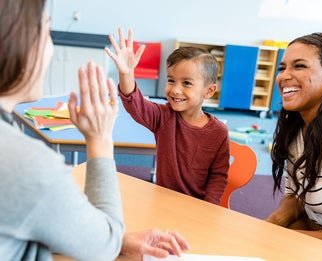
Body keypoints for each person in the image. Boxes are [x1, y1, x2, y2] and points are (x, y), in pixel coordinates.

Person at [0, 0, 190, 260]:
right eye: (46, 32)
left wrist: (114, 240)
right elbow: (101, 247)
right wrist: (100, 138)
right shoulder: (29, 165)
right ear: (16, 42)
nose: (50, 49)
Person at [106, 28, 230, 205]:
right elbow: (135, 104)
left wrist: (207, 209)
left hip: (198, 208)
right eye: (171, 80)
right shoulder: (164, 117)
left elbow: (218, 177)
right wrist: (126, 73)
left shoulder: (219, 132)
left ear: (209, 91)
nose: (175, 89)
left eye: (186, 83)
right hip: (162, 202)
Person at [266, 32, 322, 247]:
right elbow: (296, 197)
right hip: (313, 228)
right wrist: (270, 224)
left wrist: (292, 239)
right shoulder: (297, 125)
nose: (284, 76)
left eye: (299, 66)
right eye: (282, 68)